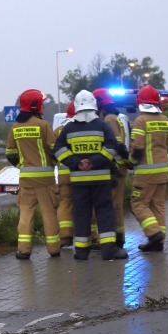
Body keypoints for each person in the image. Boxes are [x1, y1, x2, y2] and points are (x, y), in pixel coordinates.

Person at [54, 90, 128, 261]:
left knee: (81, 215)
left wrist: (77, 163)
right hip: (101, 180)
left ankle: (81, 251)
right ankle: (109, 250)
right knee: (104, 214)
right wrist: (95, 161)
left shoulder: (69, 128)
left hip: (79, 182)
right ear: (94, 106)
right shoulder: (102, 126)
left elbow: (58, 149)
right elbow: (112, 146)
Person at [5, 89, 62, 259]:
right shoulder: (43, 125)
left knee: (25, 216)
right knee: (49, 215)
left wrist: (23, 165)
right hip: (45, 180)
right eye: (41, 102)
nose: (44, 105)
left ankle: (23, 250)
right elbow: (54, 150)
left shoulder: (15, 127)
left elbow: (10, 153)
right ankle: (53, 249)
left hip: (26, 180)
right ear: (35, 105)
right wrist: (53, 163)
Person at [129, 85, 168, 252]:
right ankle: (159, 242)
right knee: (158, 205)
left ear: (140, 103)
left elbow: (138, 148)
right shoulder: (165, 120)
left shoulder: (141, 121)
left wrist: (130, 162)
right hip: (163, 173)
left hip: (145, 174)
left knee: (138, 204)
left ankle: (153, 233)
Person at [91, 88, 130, 247]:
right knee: (117, 204)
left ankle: (109, 239)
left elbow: (115, 146)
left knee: (109, 205)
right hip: (119, 167)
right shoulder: (115, 117)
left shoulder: (109, 120)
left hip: (114, 169)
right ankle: (119, 236)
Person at [57, 101, 75, 248]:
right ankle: (94, 237)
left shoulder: (58, 130)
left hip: (63, 175)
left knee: (65, 204)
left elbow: (53, 150)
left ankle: (65, 236)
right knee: (88, 204)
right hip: (81, 174)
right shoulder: (84, 127)